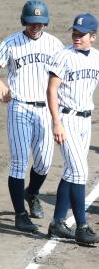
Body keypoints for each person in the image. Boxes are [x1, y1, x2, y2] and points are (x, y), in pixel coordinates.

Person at [0, 0, 64, 232]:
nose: (35, 27)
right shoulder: (11, 43)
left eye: (40, 23)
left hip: (45, 110)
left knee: (44, 161)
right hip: (19, 107)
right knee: (19, 161)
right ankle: (20, 214)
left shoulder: (55, 45)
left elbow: (63, 75)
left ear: (45, 22)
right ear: (24, 21)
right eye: (31, 23)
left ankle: (32, 194)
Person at [46, 13, 99, 246]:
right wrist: (56, 122)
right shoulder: (63, 56)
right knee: (79, 172)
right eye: (74, 33)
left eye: (81, 34)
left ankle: (57, 223)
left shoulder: (97, 58)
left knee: (71, 171)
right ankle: (82, 227)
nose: (76, 37)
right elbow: (51, 90)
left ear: (93, 37)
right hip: (66, 119)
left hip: (85, 121)